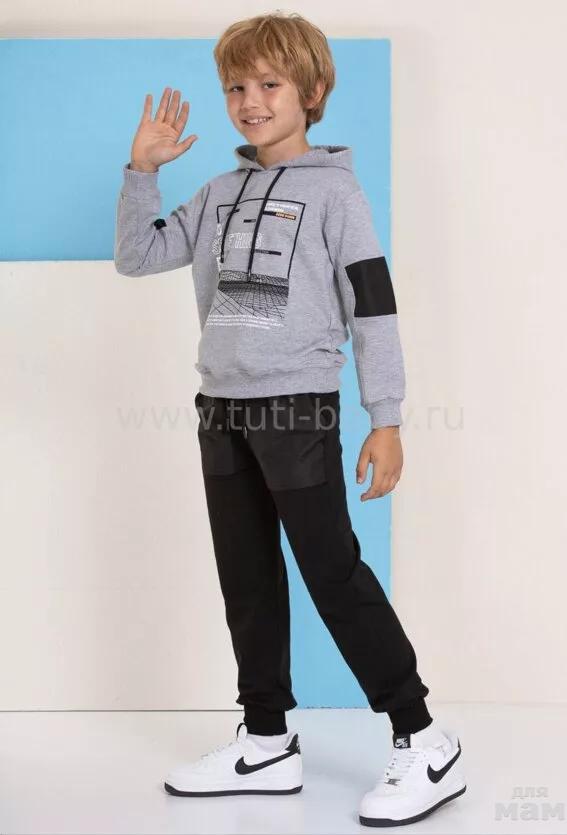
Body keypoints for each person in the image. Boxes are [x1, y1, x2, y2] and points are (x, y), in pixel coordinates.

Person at [114, 11, 466, 827]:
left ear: (312, 91)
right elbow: (138, 255)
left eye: (269, 84)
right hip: (221, 409)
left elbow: (372, 304)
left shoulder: (337, 192)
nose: (250, 100)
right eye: (236, 86)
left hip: (298, 408)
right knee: (246, 575)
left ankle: (424, 736)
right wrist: (142, 171)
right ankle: (267, 738)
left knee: (331, 571)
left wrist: (387, 417)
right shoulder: (218, 192)